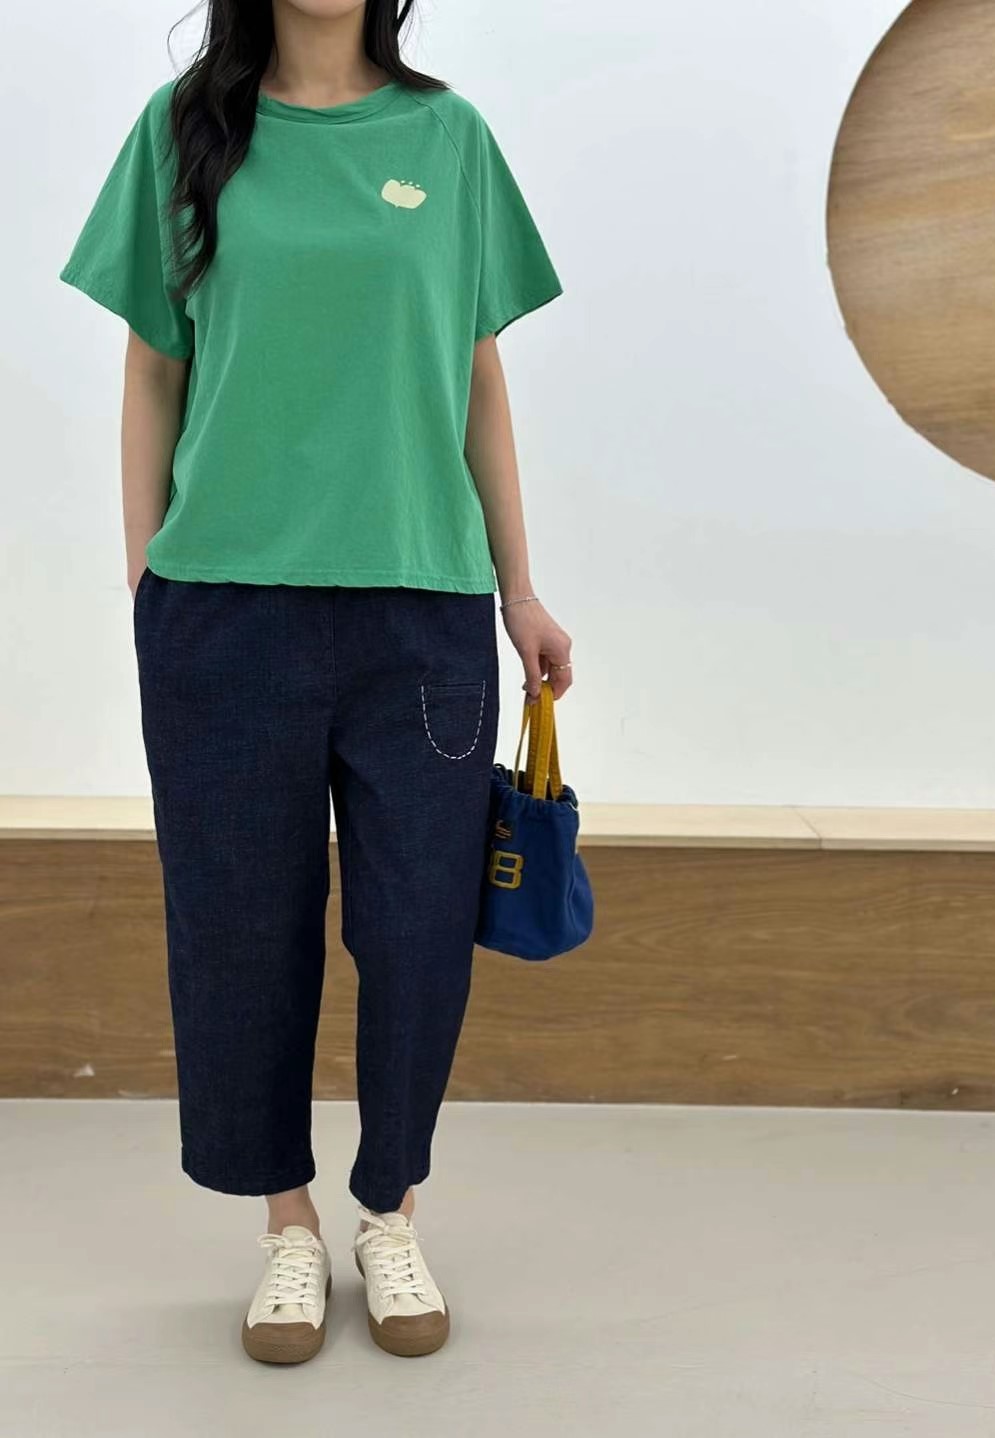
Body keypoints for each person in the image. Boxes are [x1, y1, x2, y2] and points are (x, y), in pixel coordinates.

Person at [58, 0, 573, 1365]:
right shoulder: (184, 133)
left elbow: (477, 371)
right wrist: (146, 579)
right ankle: (286, 1224)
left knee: (416, 933)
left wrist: (519, 587)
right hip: (226, 611)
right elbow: (151, 368)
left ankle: (388, 1209)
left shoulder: (449, 139)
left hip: (422, 608)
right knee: (241, 932)